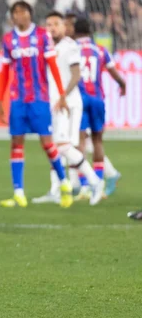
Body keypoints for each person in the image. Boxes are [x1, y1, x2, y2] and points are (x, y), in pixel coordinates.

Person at [0, 1, 73, 209]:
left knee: (47, 143)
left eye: (23, 12)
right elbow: (4, 72)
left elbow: (53, 66)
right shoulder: (8, 40)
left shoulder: (41, 36)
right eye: (16, 13)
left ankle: (64, 182)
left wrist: (62, 93)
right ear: (12, 17)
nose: (20, 16)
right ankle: (18, 192)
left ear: (30, 14)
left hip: (39, 98)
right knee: (16, 142)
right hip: (17, 99)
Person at [33, 11, 104, 206]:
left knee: (63, 146)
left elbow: (76, 75)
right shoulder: (44, 47)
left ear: (65, 27)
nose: (52, 28)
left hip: (68, 104)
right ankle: (57, 189)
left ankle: (94, 181)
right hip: (53, 103)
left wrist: (63, 96)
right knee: (55, 147)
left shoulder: (70, 46)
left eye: (56, 24)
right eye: (48, 24)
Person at [65, 14, 122, 196]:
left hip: (79, 99)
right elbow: (113, 71)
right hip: (97, 98)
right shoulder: (100, 49)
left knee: (79, 142)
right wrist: (123, 84)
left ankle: (84, 184)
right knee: (97, 141)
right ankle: (98, 180)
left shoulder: (71, 49)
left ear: (75, 30)